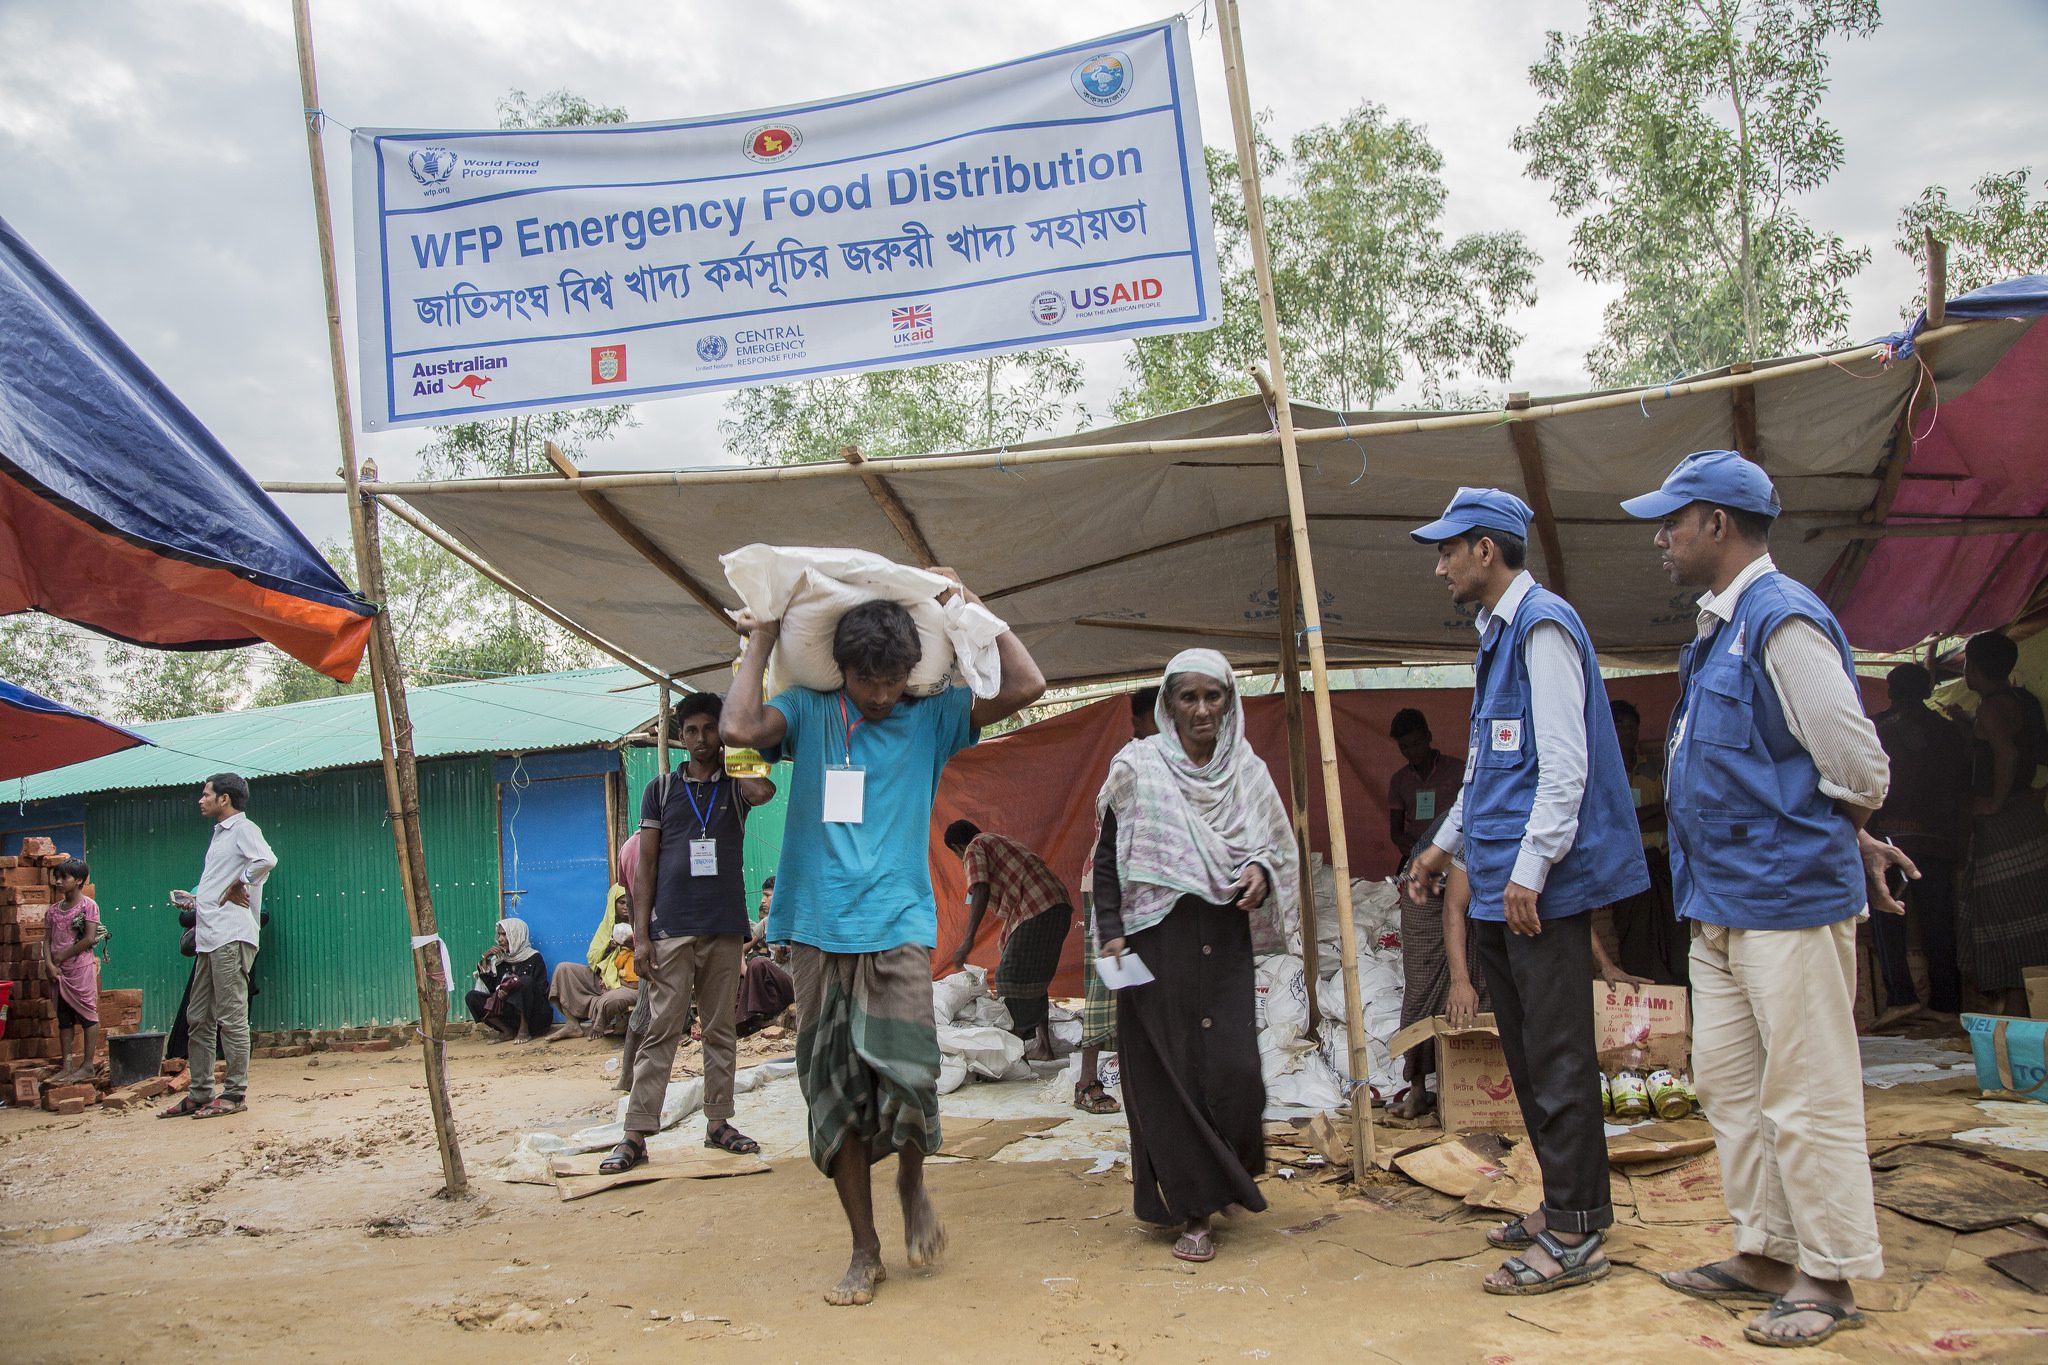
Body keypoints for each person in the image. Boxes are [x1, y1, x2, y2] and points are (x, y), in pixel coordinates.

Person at [1622, 450, 1909, 1349]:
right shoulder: (1720, 627)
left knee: (1807, 1093)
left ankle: (1828, 1274)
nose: (1661, 537)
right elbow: (1762, 764)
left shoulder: (1780, 620)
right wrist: (1835, 827)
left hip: (1785, 903)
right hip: (1723, 905)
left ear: (1720, 524)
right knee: (1734, 1091)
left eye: (1674, 519)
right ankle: (1766, 1251)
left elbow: (1859, 764)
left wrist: (1834, 830)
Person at [721, 573, 1046, 1307]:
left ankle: (912, 1179)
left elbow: (1028, 681)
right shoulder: (807, 711)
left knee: (909, 1073)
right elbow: (738, 731)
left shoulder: (932, 718)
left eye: (894, 677)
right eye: (868, 678)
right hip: (814, 927)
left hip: (898, 923)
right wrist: (762, 636)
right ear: (845, 670)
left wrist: (968, 607)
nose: (880, 693)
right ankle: (864, 1249)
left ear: (910, 671)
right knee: (832, 1089)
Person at [1405, 488, 1649, 1296]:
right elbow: (1487, 771)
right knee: (1529, 1053)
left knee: (1558, 1056)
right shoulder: (1496, 636)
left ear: (1487, 549)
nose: (1437, 565)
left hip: (1535, 890)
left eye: (1448, 549)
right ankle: (1562, 1202)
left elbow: (1565, 768)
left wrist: (1530, 872)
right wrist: (1441, 848)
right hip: (1501, 890)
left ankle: (1578, 1232)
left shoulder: (1543, 626)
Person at [1094, 650, 1294, 1265]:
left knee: (1235, 1072)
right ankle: (1193, 1210)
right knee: (1170, 1076)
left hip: (1224, 938)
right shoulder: (1138, 766)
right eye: (1189, 698)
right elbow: (1106, 852)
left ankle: (1227, 1173)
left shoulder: (1248, 772)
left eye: (1215, 697)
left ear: (1229, 702)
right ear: (1169, 705)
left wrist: (1259, 872)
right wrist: (1110, 930)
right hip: (1158, 940)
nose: (1202, 710)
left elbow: (1272, 848)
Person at [604, 692, 778, 1177]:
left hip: (724, 929)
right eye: (693, 731)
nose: (701, 740)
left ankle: (718, 1123)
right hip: (670, 931)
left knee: (720, 1030)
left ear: (722, 734)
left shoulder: (737, 789)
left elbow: (765, 792)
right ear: (681, 737)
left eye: (711, 729)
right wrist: (641, 936)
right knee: (662, 1030)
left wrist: (738, 747)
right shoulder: (659, 791)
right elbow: (647, 868)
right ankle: (636, 1134)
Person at [159, 773, 275, 1120]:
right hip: (209, 938)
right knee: (198, 1019)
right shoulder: (220, 836)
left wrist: (242, 881)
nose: (201, 799)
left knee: (232, 1018)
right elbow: (221, 883)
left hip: (230, 937)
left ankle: (235, 1094)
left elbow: (266, 860)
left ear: (224, 799)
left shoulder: (243, 829)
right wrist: (195, 900)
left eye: (206, 794)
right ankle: (200, 1093)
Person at [1073, 688, 1158, 1116]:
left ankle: (1143, 1077)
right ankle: (1087, 1083)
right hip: (1110, 887)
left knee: (1143, 986)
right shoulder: (1131, 764)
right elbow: (1109, 826)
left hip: (1143, 890)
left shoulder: (1173, 763)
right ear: (1142, 723)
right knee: (1106, 983)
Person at [1870, 663, 1970, 1021]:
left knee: (1887, 917)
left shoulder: (1874, 728)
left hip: (1887, 840)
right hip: (1936, 839)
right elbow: (1963, 786)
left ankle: (1901, 997)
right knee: (1939, 923)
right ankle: (1946, 1003)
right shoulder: (1950, 732)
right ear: (1928, 692)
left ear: (1891, 692)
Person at [1957, 630, 2048, 1015]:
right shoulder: (2022, 701)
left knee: (2006, 913)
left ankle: (2018, 1005)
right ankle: (2019, 1005)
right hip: (2027, 817)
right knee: (2029, 913)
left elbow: (2006, 753)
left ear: (1973, 669)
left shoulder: (1994, 707)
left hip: (2006, 824)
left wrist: (1994, 803)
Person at [943, 820, 1073, 1059]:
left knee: (1009, 976)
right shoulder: (997, 842)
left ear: (957, 848)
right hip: (1057, 905)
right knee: (1034, 978)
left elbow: (979, 888)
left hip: (1038, 906)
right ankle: (1044, 1046)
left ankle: (1015, 1052)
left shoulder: (974, 847)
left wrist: (967, 941)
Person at [1607, 699, 1686, 985]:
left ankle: (1676, 992)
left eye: (1632, 725)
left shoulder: (1655, 770)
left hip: (1661, 866)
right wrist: (1645, 815)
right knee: (1636, 937)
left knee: (1673, 935)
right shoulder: (1603, 775)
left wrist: (1633, 820)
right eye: (1619, 725)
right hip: (1627, 871)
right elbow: (1611, 824)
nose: (1627, 731)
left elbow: (1671, 813)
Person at [544, 878, 640, 1042]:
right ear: (613, 905)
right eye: (621, 903)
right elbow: (593, 960)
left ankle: (614, 1023)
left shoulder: (641, 924)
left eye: (628, 902)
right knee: (563, 969)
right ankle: (572, 1024)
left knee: (610, 1000)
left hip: (626, 982)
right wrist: (610, 946)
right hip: (603, 977)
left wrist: (632, 945)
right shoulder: (606, 927)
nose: (625, 907)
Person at [44, 857, 101, 1084]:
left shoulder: (88, 906)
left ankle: (87, 1065)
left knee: (87, 1014)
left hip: (80, 969)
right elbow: (46, 940)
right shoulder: (53, 911)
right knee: (64, 1018)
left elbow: (89, 938)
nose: (58, 881)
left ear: (78, 880)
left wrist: (63, 956)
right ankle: (67, 1065)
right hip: (58, 973)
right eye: (56, 877)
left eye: (63, 877)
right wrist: (49, 964)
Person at [1387, 708, 1462, 863]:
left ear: (1428, 737)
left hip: (1453, 855)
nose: (1412, 751)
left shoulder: (1458, 771)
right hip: (1417, 855)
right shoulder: (1399, 780)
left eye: (1416, 744)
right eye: (1404, 747)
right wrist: (1403, 842)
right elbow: (1396, 831)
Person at [466, 918, 550, 1042]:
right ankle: (507, 1031)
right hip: (511, 1015)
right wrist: (485, 959)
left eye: (504, 934)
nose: (500, 939)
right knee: (472, 997)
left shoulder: (534, 958)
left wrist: (511, 991)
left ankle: (524, 1030)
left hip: (534, 1018)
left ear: (516, 935)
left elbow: (540, 990)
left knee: (526, 981)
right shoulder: (500, 961)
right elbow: (491, 989)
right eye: (499, 935)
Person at [737, 877, 796, 1036]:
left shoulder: (799, 918)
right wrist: (745, 972)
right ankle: (744, 1022)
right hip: (773, 986)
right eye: (763, 895)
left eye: (767, 895)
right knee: (750, 969)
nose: (763, 900)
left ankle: (745, 1020)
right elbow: (740, 950)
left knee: (759, 963)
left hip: (794, 985)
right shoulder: (766, 923)